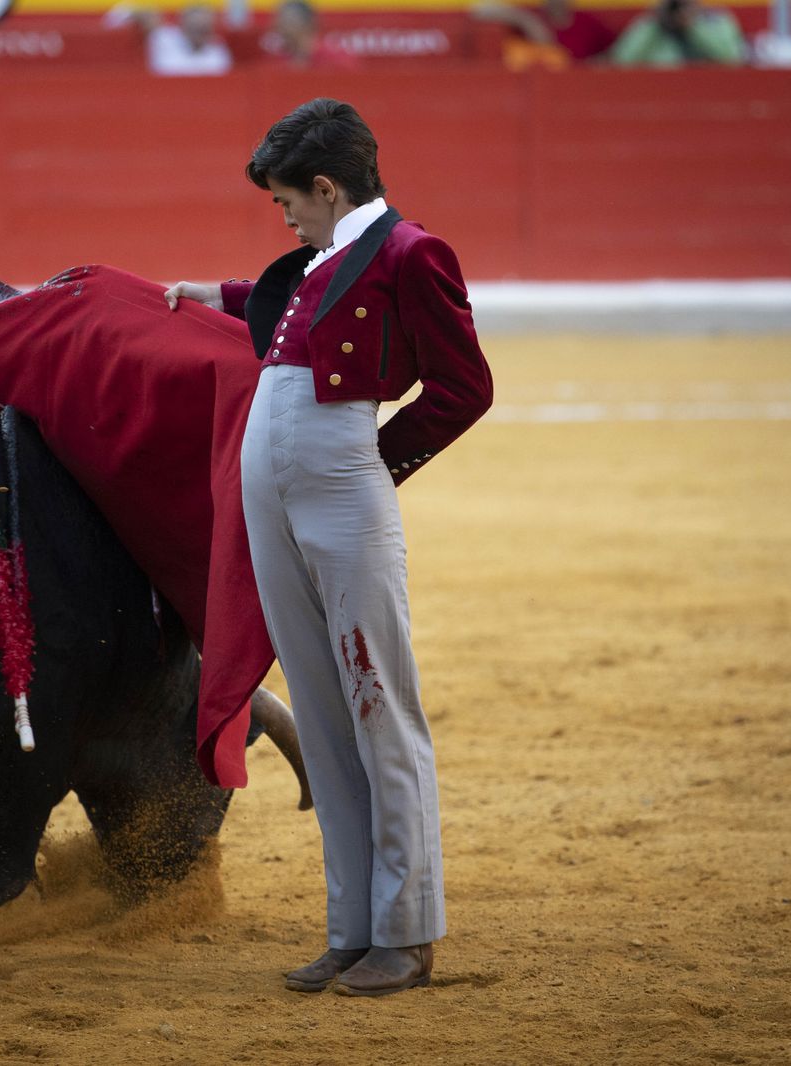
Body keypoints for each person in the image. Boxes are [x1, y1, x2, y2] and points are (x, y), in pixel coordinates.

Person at [164, 98, 492, 997]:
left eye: (287, 202)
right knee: (321, 706)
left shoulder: (412, 251)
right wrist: (210, 294)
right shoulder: (322, 258)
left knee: (378, 703)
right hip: (272, 490)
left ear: (324, 184)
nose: (286, 217)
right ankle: (352, 927)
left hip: (343, 488)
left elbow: (466, 385)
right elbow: (287, 310)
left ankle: (410, 929)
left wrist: (377, 466)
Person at [470, 0, 617, 67]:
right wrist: (528, 21)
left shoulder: (587, 22)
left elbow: (616, 54)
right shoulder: (535, 16)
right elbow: (480, 9)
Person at [609, 0, 746, 65]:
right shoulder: (650, 23)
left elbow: (731, 58)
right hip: (660, 89)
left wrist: (692, 25)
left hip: (709, 88)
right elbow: (623, 60)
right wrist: (657, 21)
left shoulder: (716, 19)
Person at [114, 4, 234, 77]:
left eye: (203, 29)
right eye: (194, 28)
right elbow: (118, 18)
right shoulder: (164, 38)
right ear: (182, 26)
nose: (198, 34)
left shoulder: (217, 51)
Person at [263, 0, 356, 69]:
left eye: (286, 23)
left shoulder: (337, 60)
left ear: (308, 24)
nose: (279, 29)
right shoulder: (277, 62)